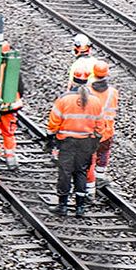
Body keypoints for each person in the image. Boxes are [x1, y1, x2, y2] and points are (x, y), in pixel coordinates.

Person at [45, 67, 105, 216]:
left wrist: (50, 137)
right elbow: (100, 126)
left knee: (65, 172)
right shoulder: (96, 101)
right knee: (81, 172)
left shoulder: (64, 99)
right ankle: (80, 207)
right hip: (86, 142)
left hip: (67, 142)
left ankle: (63, 206)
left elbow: (54, 122)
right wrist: (95, 140)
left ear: (73, 81)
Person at [86, 60, 118, 193]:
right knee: (103, 152)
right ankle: (100, 176)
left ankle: (89, 182)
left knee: (89, 155)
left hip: (90, 129)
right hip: (106, 129)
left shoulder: (87, 89)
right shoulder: (113, 92)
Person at [0, 42, 24, 169]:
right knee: (9, 133)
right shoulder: (13, 69)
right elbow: (20, 87)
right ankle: (10, 159)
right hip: (10, 107)